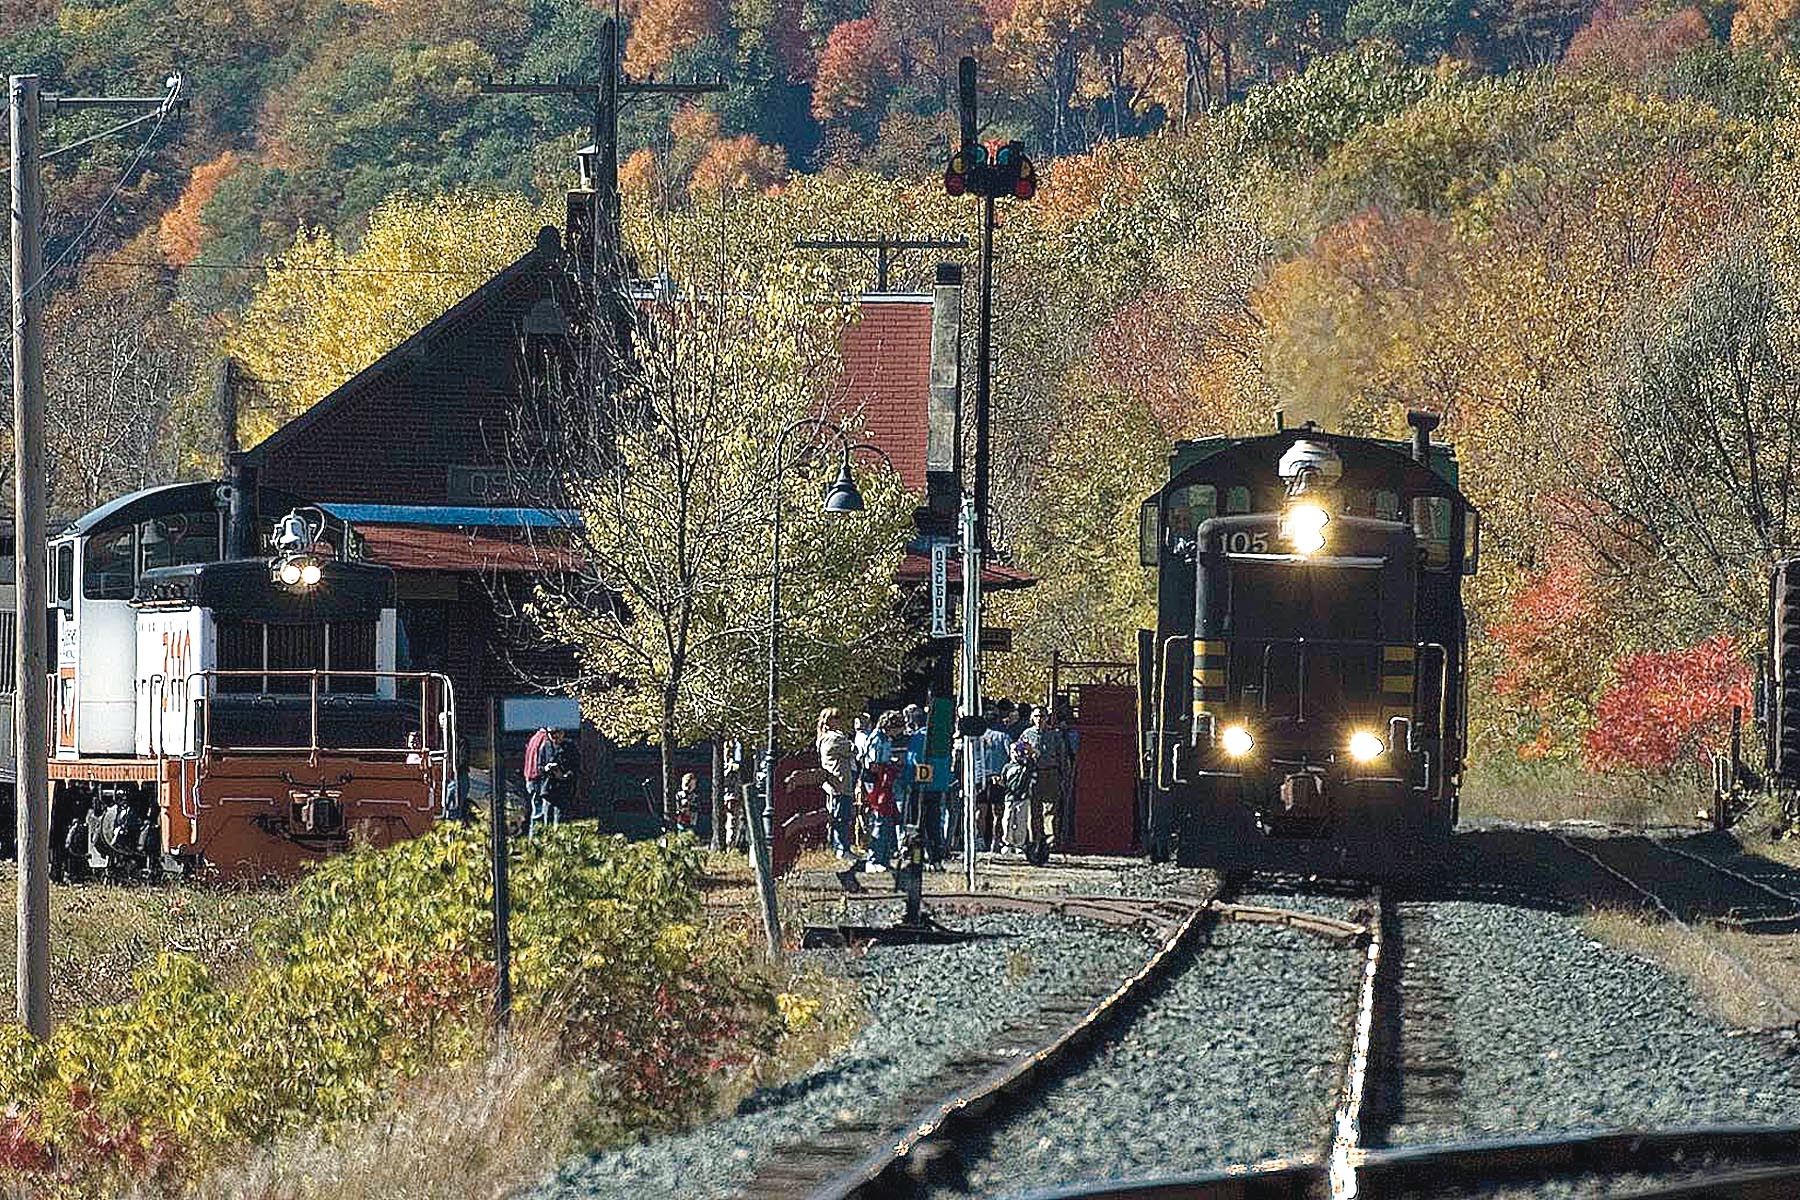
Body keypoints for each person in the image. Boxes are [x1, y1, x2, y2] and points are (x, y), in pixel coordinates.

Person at [786, 708, 858, 864]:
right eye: (836, 717)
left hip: (837, 782)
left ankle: (840, 847)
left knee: (839, 816)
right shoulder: (833, 738)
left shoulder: (828, 737)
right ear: (829, 721)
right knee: (840, 817)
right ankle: (841, 849)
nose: (840, 720)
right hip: (839, 783)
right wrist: (850, 743)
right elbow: (853, 750)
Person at [1016, 705, 1071, 863]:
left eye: (1042, 716)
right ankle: (1035, 840)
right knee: (1034, 810)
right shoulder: (1026, 734)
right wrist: (1023, 757)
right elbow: (1017, 751)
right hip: (1033, 774)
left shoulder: (1054, 735)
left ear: (1047, 718)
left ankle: (1049, 841)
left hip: (1051, 773)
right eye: (1036, 716)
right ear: (1032, 718)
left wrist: (1064, 776)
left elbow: (1062, 757)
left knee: (1051, 809)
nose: (1039, 719)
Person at [860, 710, 906, 871]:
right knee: (879, 818)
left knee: (887, 819)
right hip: (875, 781)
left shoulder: (886, 739)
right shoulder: (877, 739)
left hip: (884, 781)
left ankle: (884, 858)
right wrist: (890, 767)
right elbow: (872, 764)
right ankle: (873, 860)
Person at [977, 709, 1014, 850]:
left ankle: (980, 839)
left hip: (979, 777)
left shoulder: (977, 737)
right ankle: (995, 841)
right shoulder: (1003, 736)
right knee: (997, 812)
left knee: (980, 810)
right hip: (998, 778)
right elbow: (1011, 755)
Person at [524, 726, 567, 836]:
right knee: (539, 813)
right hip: (538, 778)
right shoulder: (544, 741)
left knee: (535, 810)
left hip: (529, 777)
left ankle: (534, 838)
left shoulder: (534, 738)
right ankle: (537, 839)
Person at [672, 771, 700, 836]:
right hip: (680, 821)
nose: (689, 788)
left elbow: (697, 808)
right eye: (687, 784)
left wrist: (690, 806)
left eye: (692, 785)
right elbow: (677, 807)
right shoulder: (679, 795)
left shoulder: (695, 796)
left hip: (691, 821)